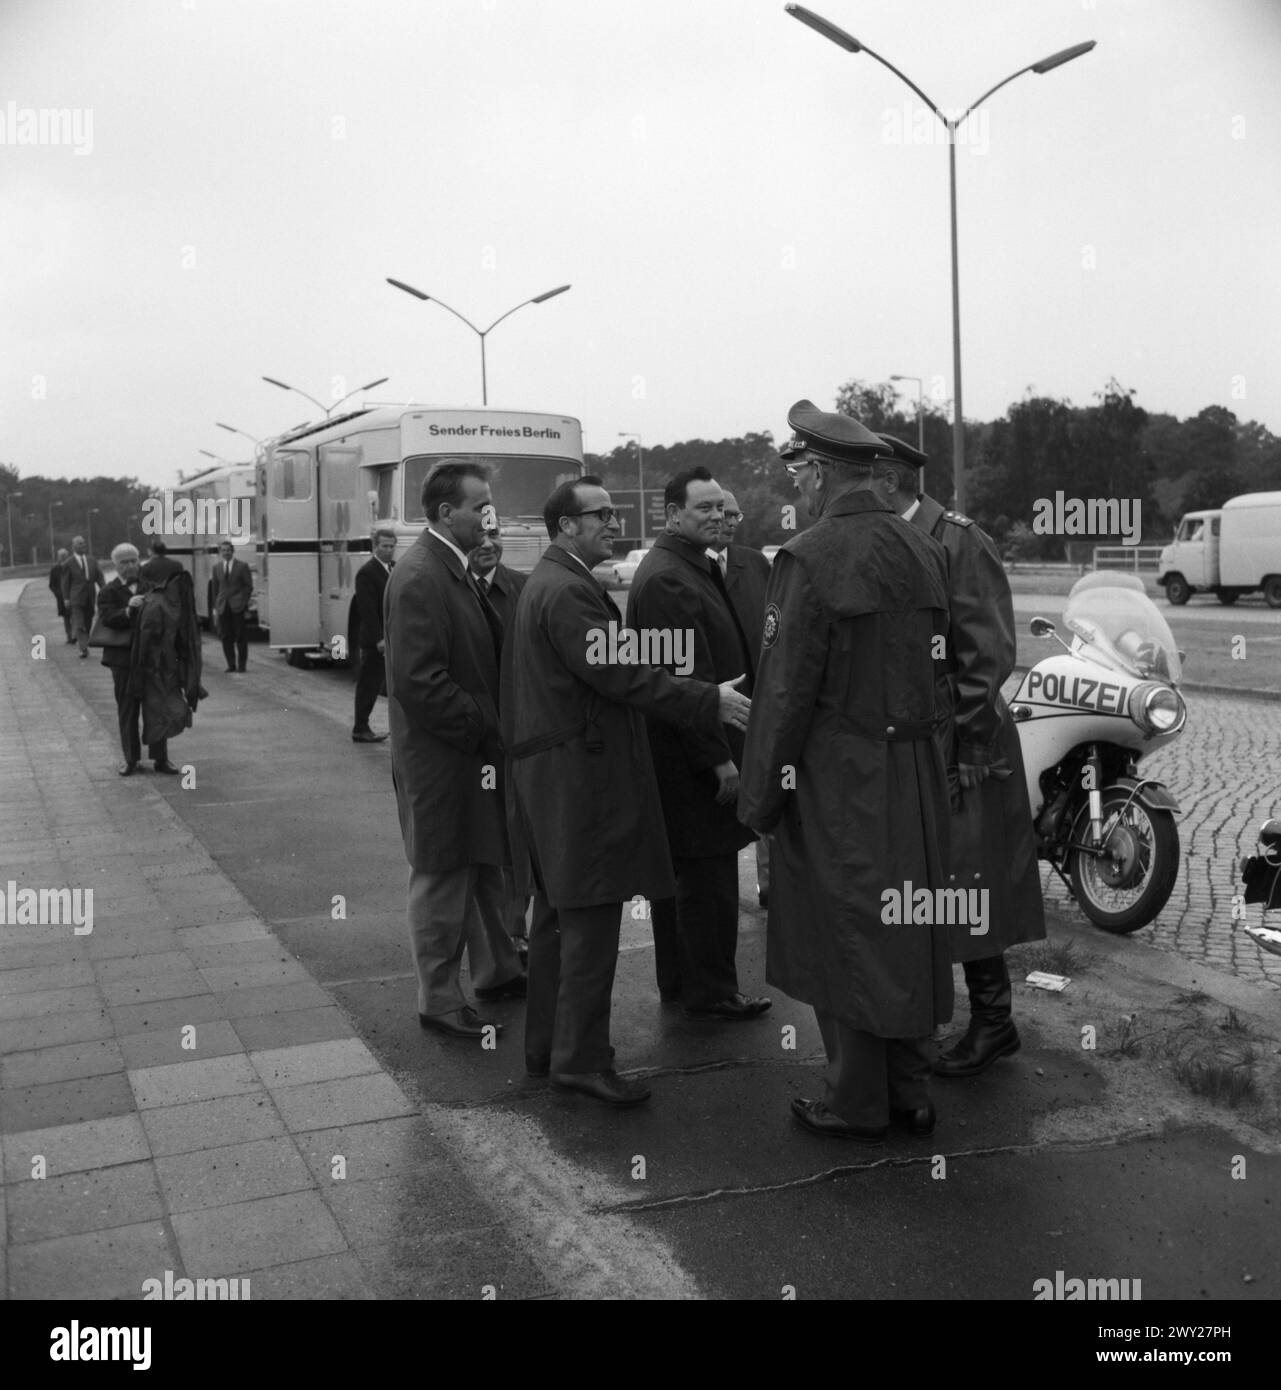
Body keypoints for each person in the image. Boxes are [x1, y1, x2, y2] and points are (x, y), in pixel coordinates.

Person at [739, 400, 954, 1142]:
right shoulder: (921, 546)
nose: (797, 484)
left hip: (841, 778)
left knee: (847, 935)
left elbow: (783, 692)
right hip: (914, 772)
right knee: (909, 928)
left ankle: (856, 1101)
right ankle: (911, 1090)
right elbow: (944, 671)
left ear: (823, 471)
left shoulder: (809, 557)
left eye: (800, 469)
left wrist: (759, 797)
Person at [502, 476, 753, 1106]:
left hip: (560, 778)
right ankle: (582, 1061)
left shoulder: (558, 582)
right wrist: (707, 699)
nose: (614, 524)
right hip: (579, 784)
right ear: (565, 526)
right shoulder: (567, 592)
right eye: (601, 516)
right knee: (587, 924)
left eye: (614, 514)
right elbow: (619, 673)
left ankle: (549, 1050)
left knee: (561, 920)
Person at [874, 432, 1046, 1077]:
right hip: (925, 732)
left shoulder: (957, 539)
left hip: (965, 738)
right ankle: (943, 1014)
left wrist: (970, 744)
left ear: (888, 481)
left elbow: (988, 651)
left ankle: (995, 1023)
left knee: (970, 880)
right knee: (936, 879)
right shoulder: (903, 538)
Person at [384, 461, 525, 1042]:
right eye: (480, 506)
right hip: (445, 760)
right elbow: (419, 682)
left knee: (482, 863)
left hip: (469, 755)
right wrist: (487, 725)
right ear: (447, 513)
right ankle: (438, 999)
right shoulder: (421, 575)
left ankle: (497, 970)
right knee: (443, 874)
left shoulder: (451, 567)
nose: (489, 516)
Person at [629, 468, 769, 1021]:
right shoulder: (669, 578)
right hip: (693, 759)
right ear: (672, 515)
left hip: (694, 750)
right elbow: (680, 678)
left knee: (689, 877)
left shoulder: (687, 566)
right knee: (706, 881)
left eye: (720, 507)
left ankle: (685, 984)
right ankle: (709, 993)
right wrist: (717, 759)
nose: (716, 516)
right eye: (703, 508)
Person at [706, 488, 773, 908]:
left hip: (761, 703)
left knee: (768, 798)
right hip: (716, 705)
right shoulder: (692, 568)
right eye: (720, 513)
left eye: (734, 514)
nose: (728, 521)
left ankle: (770, 885)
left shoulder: (756, 563)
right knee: (726, 807)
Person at [470, 534, 532, 957]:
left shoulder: (524, 588)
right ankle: (493, 940)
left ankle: (517, 929)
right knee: (483, 838)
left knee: (517, 837)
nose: (488, 543)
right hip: (473, 737)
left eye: (495, 535)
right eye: (481, 536)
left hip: (518, 732)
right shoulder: (454, 588)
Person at [96, 543, 179, 776]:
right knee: (127, 708)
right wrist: (127, 610)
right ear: (116, 566)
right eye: (124, 562)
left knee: (157, 707)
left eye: (133, 560)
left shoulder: (152, 587)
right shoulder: (108, 591)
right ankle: (130, 760)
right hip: (122, 660)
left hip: (152, 658)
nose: (130, 566)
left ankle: (161, 759)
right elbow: (107, 618)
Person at [352, 528, 396, 743]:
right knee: (368, 683)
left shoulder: (393, 569)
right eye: (384, 546)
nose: (388, 550)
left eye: (391, 546)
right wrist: (378, 638)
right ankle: (360, 727)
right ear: (375, 547)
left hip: (391, 638)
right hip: (375, 641)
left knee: (384, 684)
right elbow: (367, 610)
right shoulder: (367, 573)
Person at [212, 540, 252, 673]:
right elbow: (215, 589)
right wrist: (216, 606)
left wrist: (243, 601)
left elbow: (248, 586)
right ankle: (231, 664)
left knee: (240, 636)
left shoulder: (242, 566)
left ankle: (242, 665)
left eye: (228, 550)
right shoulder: (217, 567)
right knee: (225, 636)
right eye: (223, 550)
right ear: (220, 552)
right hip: (223, 606)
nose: (226, 553)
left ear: (232, 551)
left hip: (237, 606)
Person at [61, 535, 103, 659]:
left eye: (84, 543)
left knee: (88, 622)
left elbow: (99, 577)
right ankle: (83, 649)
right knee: (79, 624)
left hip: (90, 597)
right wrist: (66, 598)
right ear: (73, 546)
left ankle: (84, 639)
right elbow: (65, 582)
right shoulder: (68, 563)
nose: (83, 545)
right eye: (80, 543)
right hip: (76, 598)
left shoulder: (92, 560)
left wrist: (105, 590)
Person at [49, 547, 73, 643]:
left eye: (64, 556)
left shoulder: (72, 567)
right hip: (61, 597)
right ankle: (69, 636)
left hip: (74, 595)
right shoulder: (55, 569)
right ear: (58, 557)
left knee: (75, 616)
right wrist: (58, 594)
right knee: (66, 617)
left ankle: (75, 634)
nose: (63, 558)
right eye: (61, 556)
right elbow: (52, 585)